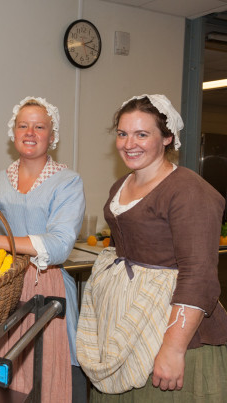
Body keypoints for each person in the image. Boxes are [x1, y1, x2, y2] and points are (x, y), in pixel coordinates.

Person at [77, 94, 227, 401]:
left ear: (168, 138)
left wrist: (173, 349)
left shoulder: (188, 191)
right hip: (127, 323)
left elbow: (198, 277)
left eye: (142, 134)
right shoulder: (120, 185)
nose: (129, 143)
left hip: (172, 329)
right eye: (122, 133)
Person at [0, 96, 86, 402]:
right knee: (1, 375)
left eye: (39, 126)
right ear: (12, 133)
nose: (30, 132)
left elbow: (58, 245)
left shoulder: (68, 182)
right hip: (2, 288)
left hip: (45, 288)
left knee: (41, 378)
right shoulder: (0, 181)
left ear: (52, 137)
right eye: (23, 125)